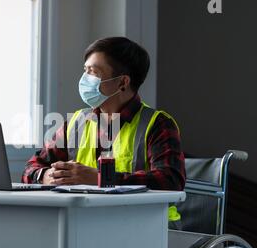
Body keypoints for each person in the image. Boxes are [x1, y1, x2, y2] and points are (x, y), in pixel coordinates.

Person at [22, 37, 185, 200]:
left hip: (146, 222)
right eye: (85, 70)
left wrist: (100, 178)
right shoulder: (75, 123)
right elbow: (31, 167)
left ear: (123, 82)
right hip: (88, 219)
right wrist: (44, 175)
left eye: (93, 72)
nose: (84, 79)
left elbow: (170, 180)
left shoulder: (158, 124)